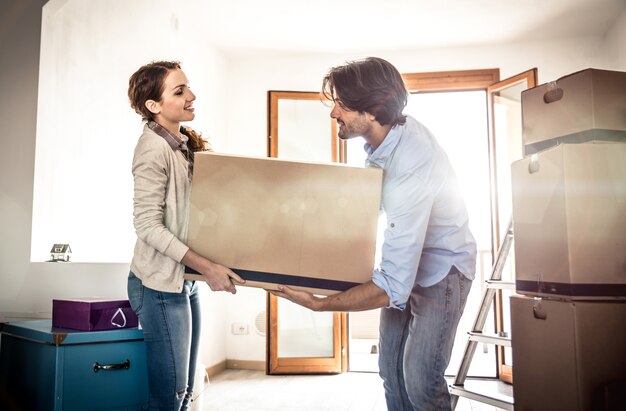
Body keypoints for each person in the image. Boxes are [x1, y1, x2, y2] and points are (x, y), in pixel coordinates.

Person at [273, 57, 477, 411]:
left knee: (420, 381)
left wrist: (321, 305)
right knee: (390, 373)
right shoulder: (384, 143)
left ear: (372, 109)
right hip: (406, 265)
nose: (333, 114)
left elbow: (394, 286)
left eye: (342, 105)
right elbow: (370, 210)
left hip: (443, 272)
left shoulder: (411, 165)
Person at [126, 60, 244, 410]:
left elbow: (189, 216)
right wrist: (206, 266)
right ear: (153, 106)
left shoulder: (180, 145)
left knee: (185, 389)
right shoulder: (152, 149)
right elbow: (147, 225)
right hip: (157, 286)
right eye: (179, 91)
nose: (191, 96)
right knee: (170, 396)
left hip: (182, 281)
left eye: (188, 87)